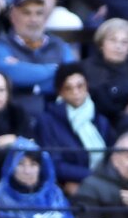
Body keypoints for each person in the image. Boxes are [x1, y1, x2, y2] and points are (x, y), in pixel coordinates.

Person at [0, 0, 77, 118]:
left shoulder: (60, 45)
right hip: (15, 118)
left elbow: (71, 77)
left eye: (39, 13)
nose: (33, 19)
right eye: (26, 13)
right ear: (13, 16)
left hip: (57, 118)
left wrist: (26, 83)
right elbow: (7, 74)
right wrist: (55, 69)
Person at [34, 63, 112, 193]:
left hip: (102, 184)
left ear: (87, 86)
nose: (75, 92)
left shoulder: (100, 120)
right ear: (60, 92)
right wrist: (92, 176)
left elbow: (113, 155)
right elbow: (54, 164)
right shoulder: (47, 121)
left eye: (80, 86)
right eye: (68, 88)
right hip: (67, 187)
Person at [0, 137, 75, 218]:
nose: (27, 171)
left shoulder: (55, 195)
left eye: (33, 164)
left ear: (41, 168)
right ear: (11, 166)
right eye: (21, 164)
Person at [81, 17, 128, 127]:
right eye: (112, 40)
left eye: (124, 42)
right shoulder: (85, 68)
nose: (118, 46)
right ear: (101, 44)